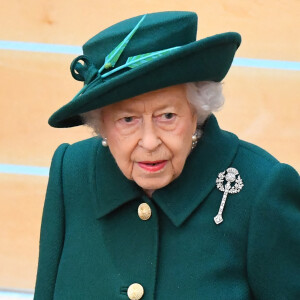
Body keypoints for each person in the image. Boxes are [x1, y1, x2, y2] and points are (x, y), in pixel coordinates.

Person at [33, 11, 300, 300]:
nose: (149, 141)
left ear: (197, 111)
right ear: (101, 124)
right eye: (128, 120)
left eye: (168, 116)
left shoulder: (261, 187)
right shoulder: (71, 171)